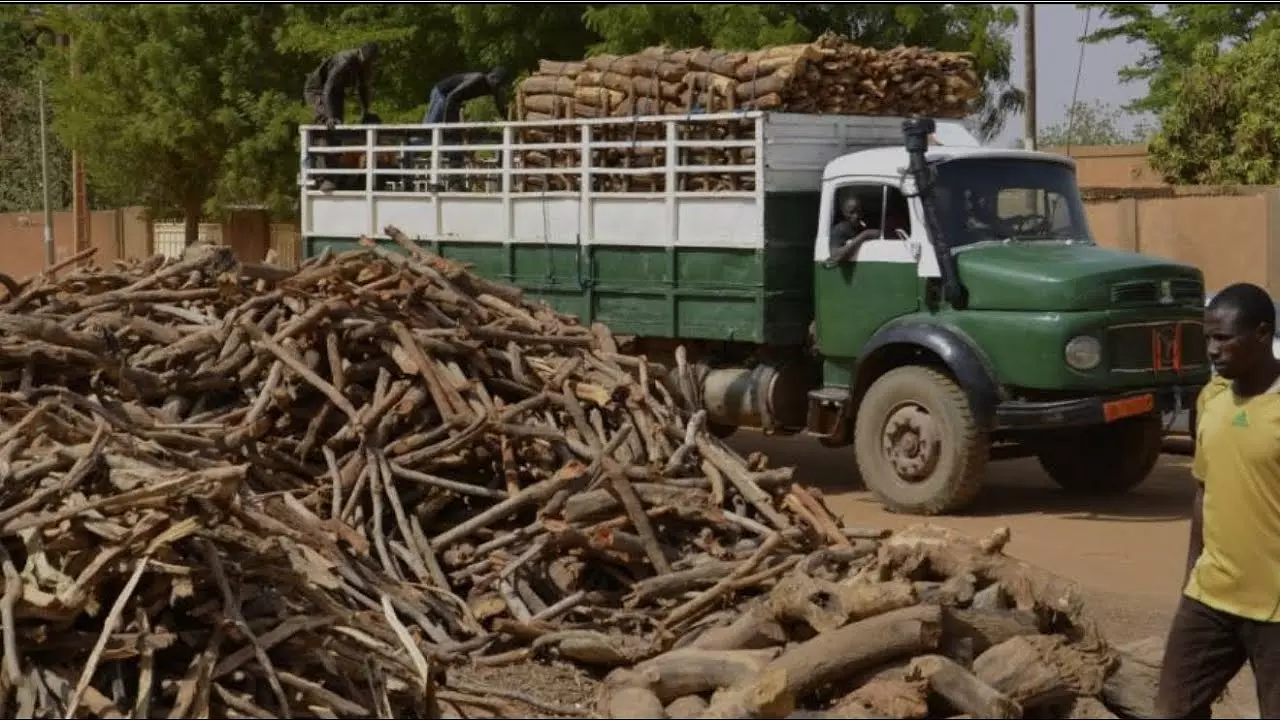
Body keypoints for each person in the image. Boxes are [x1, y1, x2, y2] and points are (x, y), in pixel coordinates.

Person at [1156, 281, 1280, 718]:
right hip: (1211, 595)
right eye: (1209, 337)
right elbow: (1204, 492)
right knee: (1174, 708)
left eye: (1224, 338)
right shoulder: (1210, 400)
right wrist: (1192, 577)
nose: (1212, 349)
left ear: (1263, 334)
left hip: (1274, 606)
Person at [304, 42, 379, 127]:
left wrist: (366, 110)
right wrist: (330, 117)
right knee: (327, 119)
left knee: (338, 122)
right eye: (367, 62)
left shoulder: (364, 64)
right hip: (318, 90)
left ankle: (333, 136)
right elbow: (329, 88)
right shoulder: (344, 61)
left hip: (336, 92)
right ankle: (319, 136)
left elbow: (363, 87)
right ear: (361, 56)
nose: (368, 65)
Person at [423, 67, 510, 124]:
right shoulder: (477, 78)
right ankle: (414, 144)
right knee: (431, 124)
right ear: (492, 77)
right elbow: (452, 95)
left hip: (455, 101)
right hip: (442, 93)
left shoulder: (494, 89)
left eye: (500, 85)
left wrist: (510, 122)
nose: (498, 87)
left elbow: (501, 109)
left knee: (453, 131)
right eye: (498, 84)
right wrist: (447, 123)